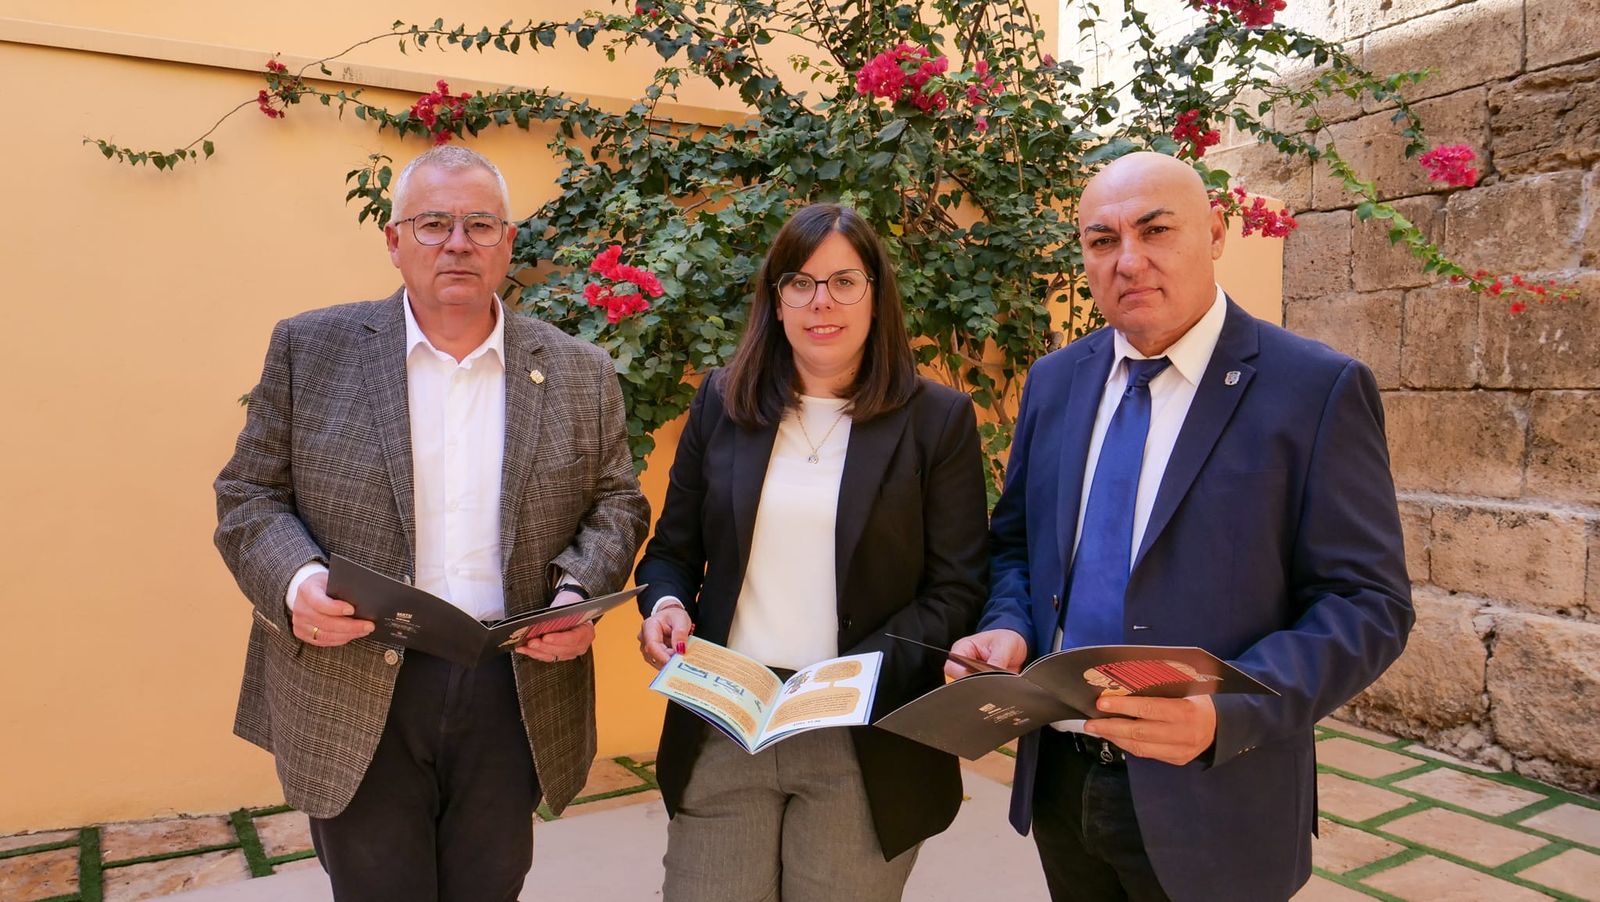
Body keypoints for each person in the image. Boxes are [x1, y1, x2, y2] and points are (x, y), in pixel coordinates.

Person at [948, 152, 1413, 902]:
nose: (1128, 260)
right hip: (1063, 781)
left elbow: (1367, 603)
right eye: (1102, 241)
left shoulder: (1315, 390)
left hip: (1218, 796)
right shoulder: (1057, 381)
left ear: (1216, 232)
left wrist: (1227, 713)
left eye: (1156, 230)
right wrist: (1009, 625)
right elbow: (1017, 549)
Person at [214, 145, 650, 902]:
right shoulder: (310, 349)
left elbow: (618, 502)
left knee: (491, 885)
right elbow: (248, 493)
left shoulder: (581, 369)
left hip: (510, 682)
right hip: (355, 676)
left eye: (480, 224)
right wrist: (297, 582)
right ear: (394, 240)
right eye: (433, 224)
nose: (457, 243)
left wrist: (576, 595)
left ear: (507, 242)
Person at [634, 203, 989, 901]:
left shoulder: (936, 420)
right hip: (727, 722)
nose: (820, 301)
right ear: (776, 300)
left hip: (864, 734)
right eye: (799, 282)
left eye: (843, 281)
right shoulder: (722, 403)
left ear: (876, 295)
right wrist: (665, 604)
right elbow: (672, 549)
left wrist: (848, 679)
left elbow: (957, 589)